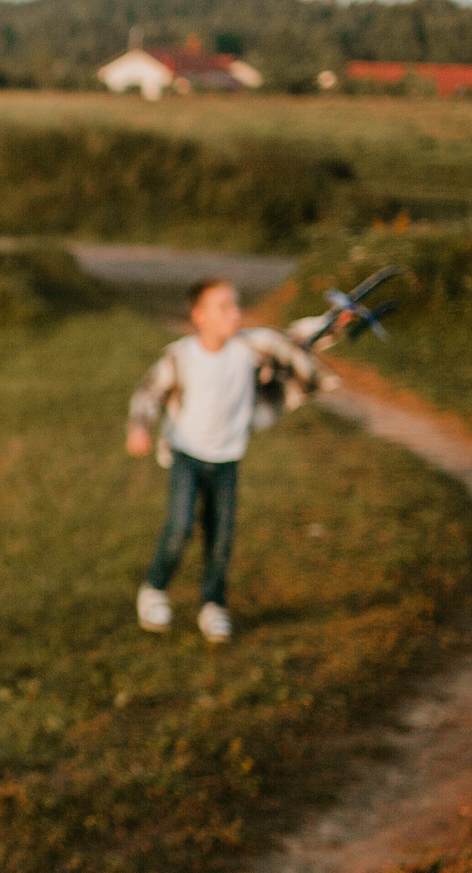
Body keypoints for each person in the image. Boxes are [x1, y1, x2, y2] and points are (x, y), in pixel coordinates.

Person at [125, 275, 335, 643]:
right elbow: (149, 393)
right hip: (186, 456)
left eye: (236, 305)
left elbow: (296, 340)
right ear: (199, 315)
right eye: (224, 307)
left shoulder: (251, 348)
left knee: (221, 538)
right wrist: (138, 427)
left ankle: (213, 605)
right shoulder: (180, 356)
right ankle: (154, 590)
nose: (235, 313)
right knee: (180, 527)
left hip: (227, 458)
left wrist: (333, 324)